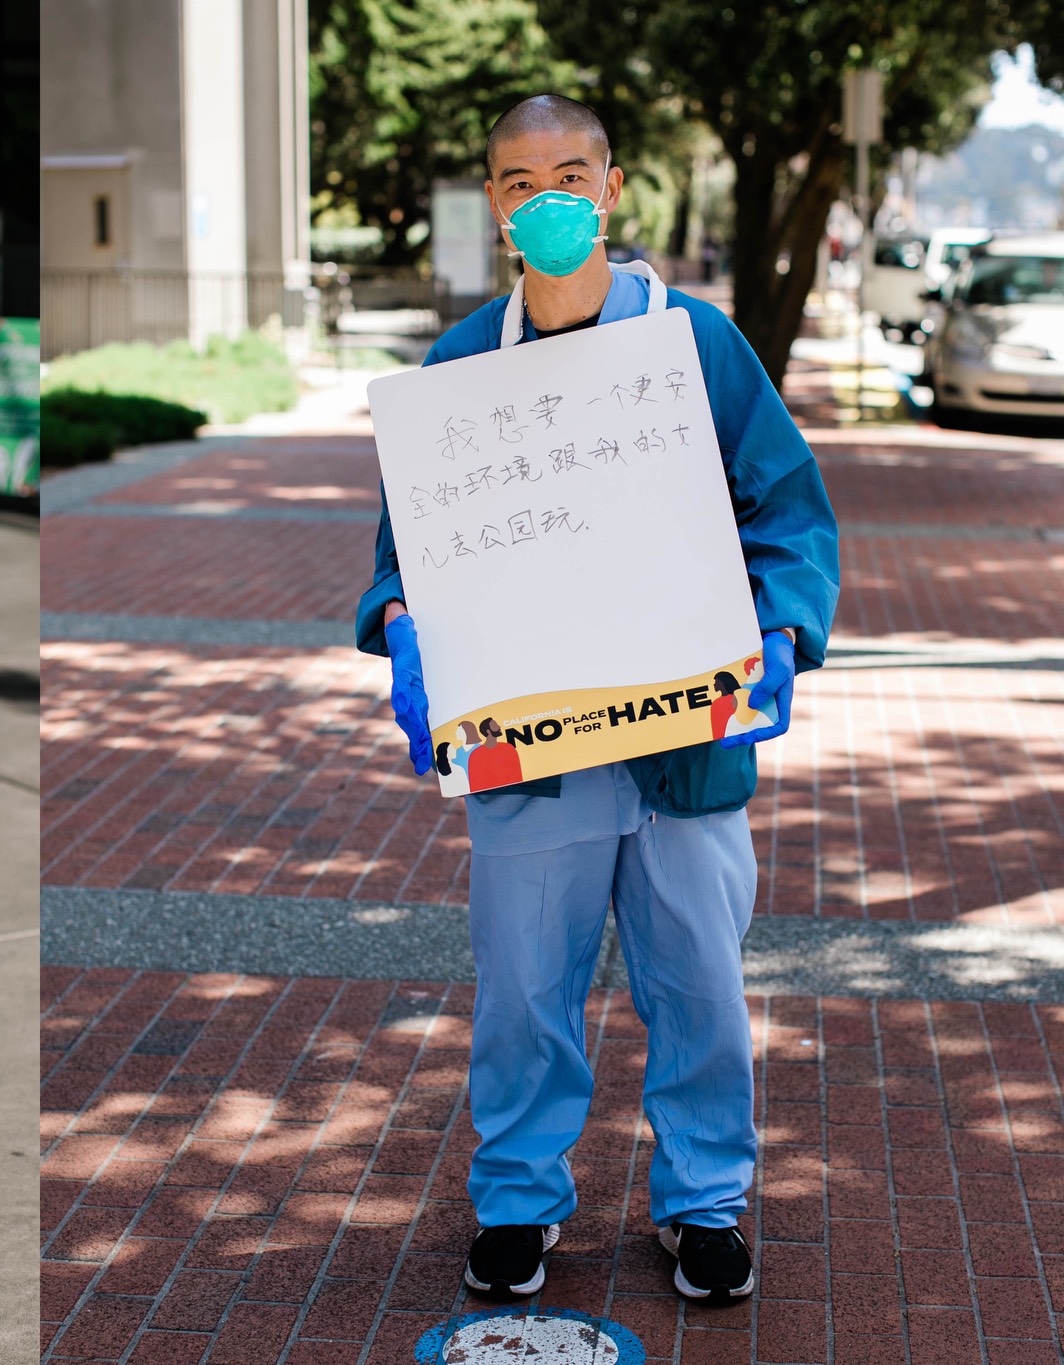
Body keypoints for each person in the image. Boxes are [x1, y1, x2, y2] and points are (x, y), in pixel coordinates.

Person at [356, 95, 839, 1305]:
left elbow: (785, 507)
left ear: (611, 189)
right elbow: (401, 553)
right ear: (495, 205)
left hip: (687, 744)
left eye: (568, 173)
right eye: (518, 182)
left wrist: (780, 625)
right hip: (532, 749)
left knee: (700, 985)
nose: (546, 198)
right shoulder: (460, 365)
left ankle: (702, 1202)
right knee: (523, 988)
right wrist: (405, 631)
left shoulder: (694, 342)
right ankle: (517, 1201)